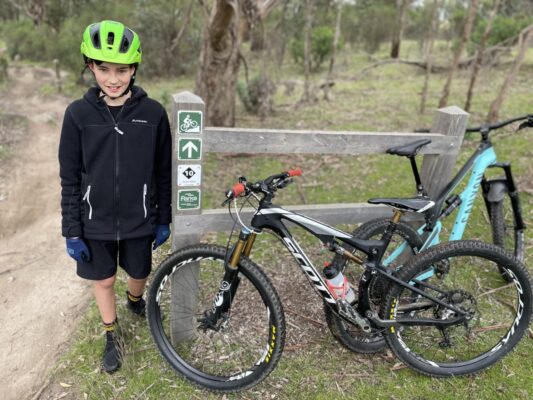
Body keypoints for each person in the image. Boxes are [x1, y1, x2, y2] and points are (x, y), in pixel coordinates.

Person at [58, 20, 172, 373]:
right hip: (95, 220)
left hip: (140, 217)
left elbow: (162, 171)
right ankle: (111, 333)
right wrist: (72, 229)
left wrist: (163, 216)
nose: (113, 78)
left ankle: (135, 299)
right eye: (103, 68)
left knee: (139, 270)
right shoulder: (77, 115)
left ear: (134, 69)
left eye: (121, 70)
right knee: (104, 279)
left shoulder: (153, 114)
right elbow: (69, 177)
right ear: (90, 66)